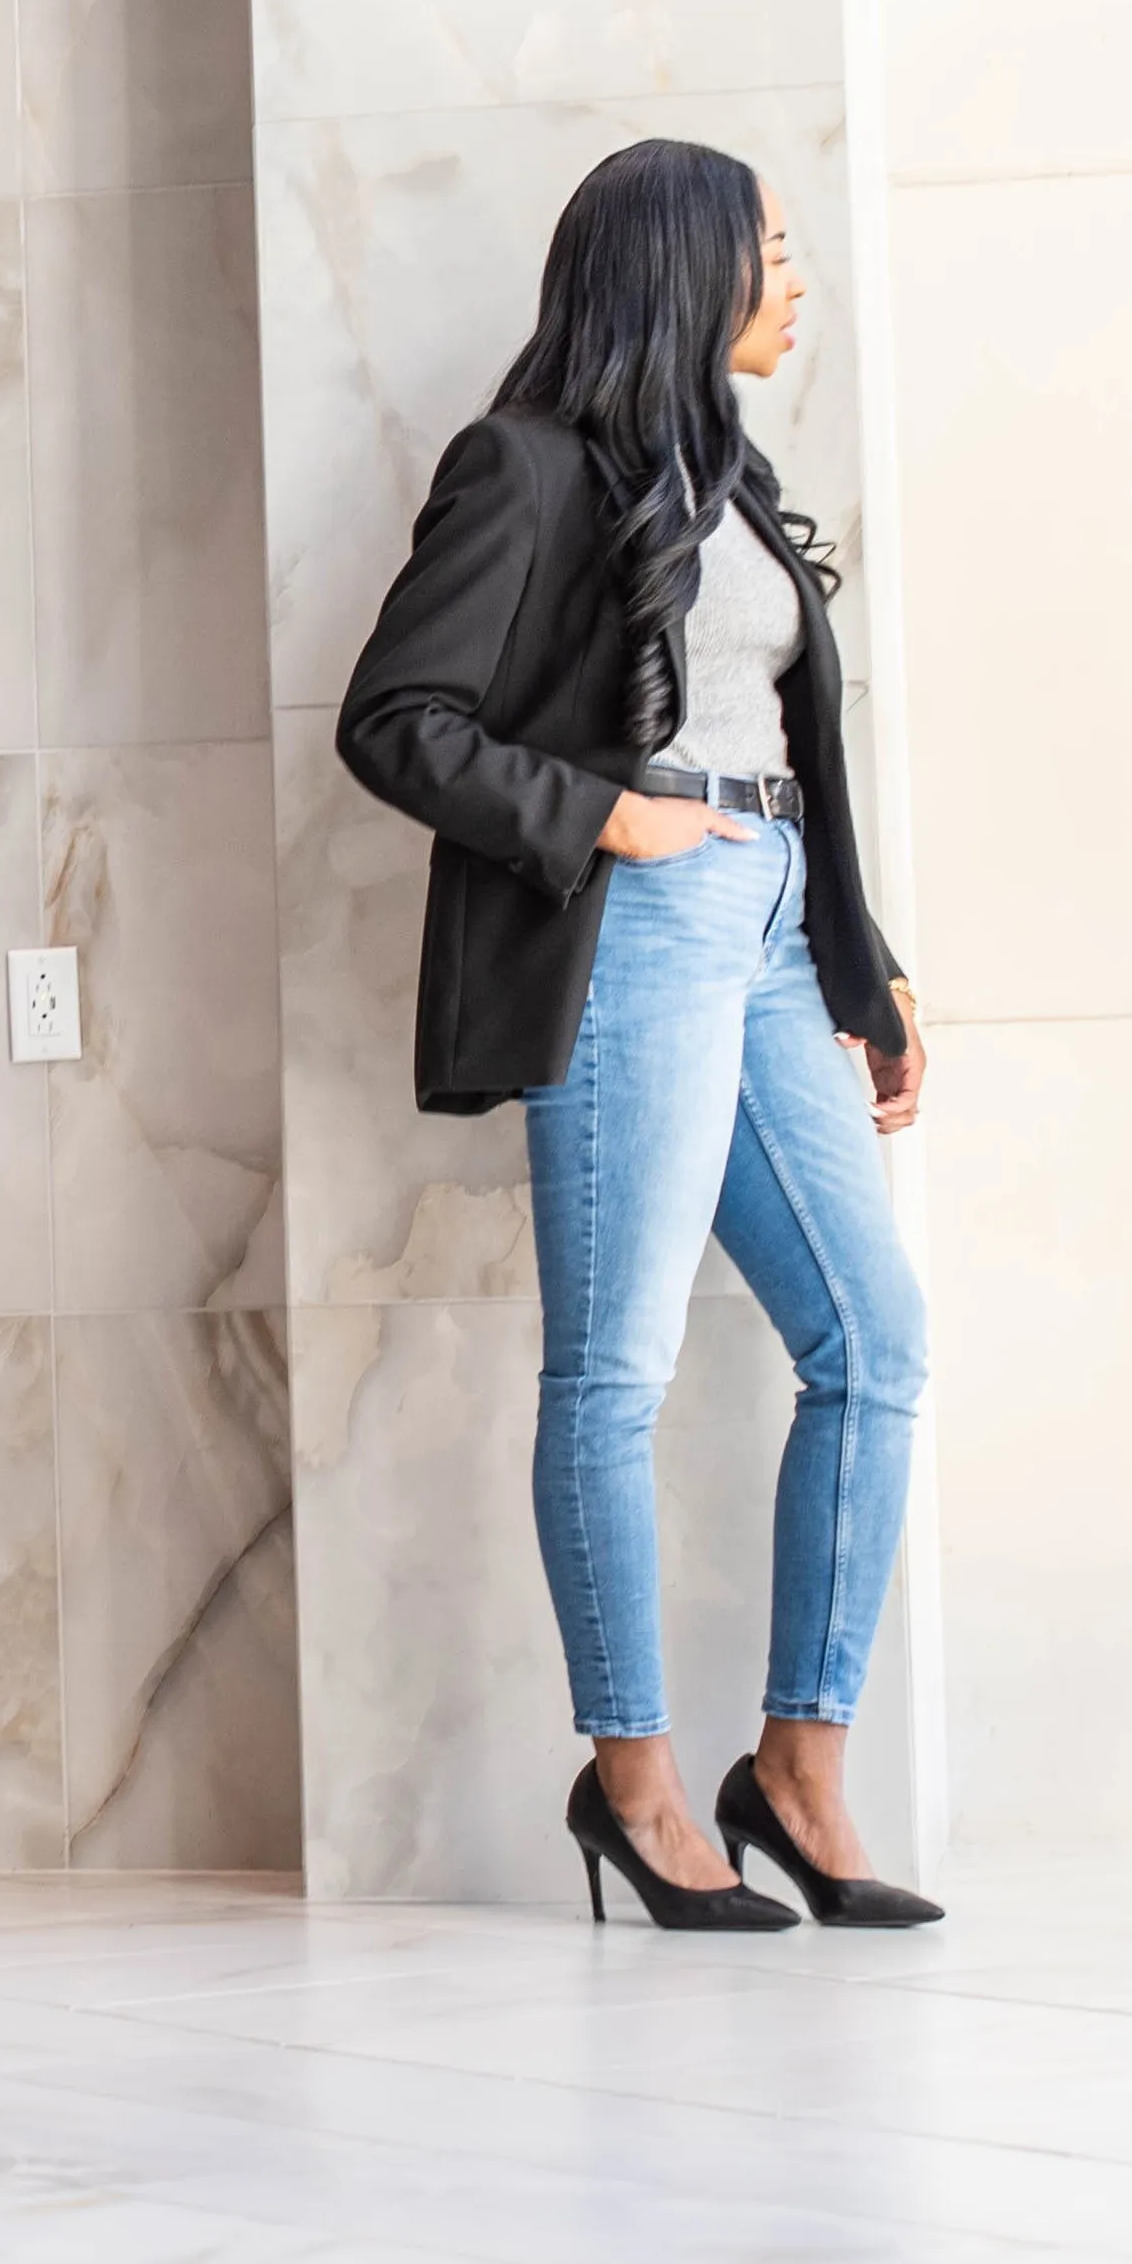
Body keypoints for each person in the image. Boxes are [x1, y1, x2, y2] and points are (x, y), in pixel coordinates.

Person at [337, 138, 932, 1936]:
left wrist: (861, 962)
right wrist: (602, 812)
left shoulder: (731, 480)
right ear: (684, 266)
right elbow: (394, 718)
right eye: (769, 242)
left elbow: (790, 741)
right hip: (638, 919)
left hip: (764, 913)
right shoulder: (519, 470)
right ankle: (638, 1783)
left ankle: (801, 1768)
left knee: (875, 1336)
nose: (795, 271)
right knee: (617, 1367)